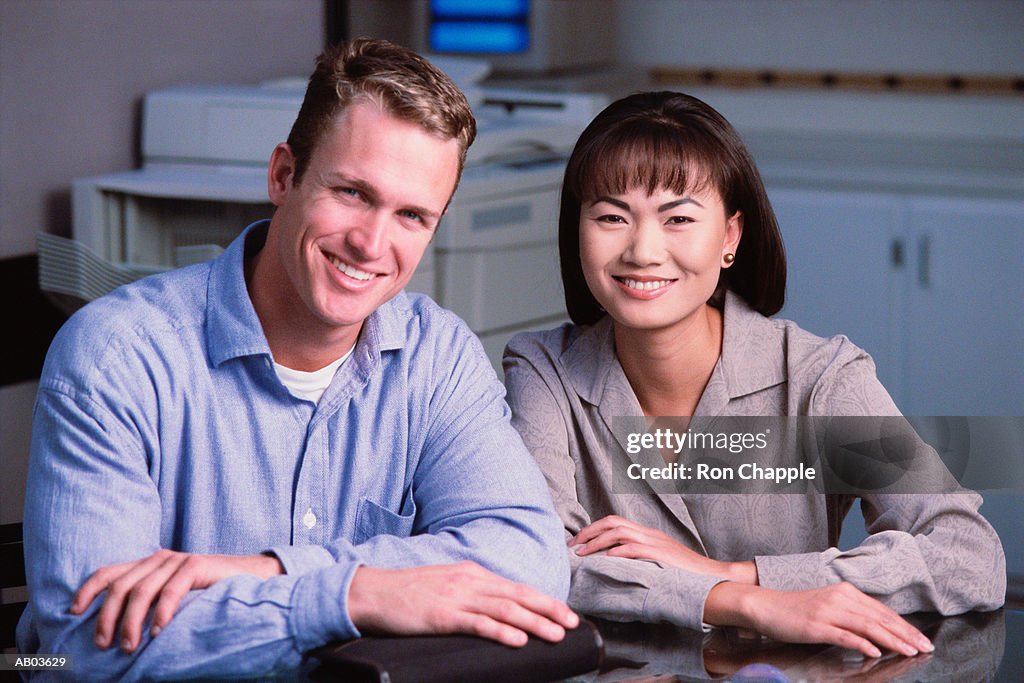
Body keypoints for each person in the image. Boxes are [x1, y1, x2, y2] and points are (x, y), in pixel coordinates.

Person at [18, 39, 576, 680]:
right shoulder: (113, 356)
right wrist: (353, 594)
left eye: (412, 215)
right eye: (352, 193)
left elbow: (531, 561)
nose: (372, 243)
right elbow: (78, 646)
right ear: (284, 176)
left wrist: (270, 572)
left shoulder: (437, 357)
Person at [503, 91, 1005, 660]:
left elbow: (969, 556)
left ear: (730, 238)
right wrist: (738, 599)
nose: (643, 250)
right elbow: (535, 562)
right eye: (612, 217)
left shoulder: (818, 378)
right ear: (578, 231)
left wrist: (737, 572)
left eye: (679, 219)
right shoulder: (543, 372)